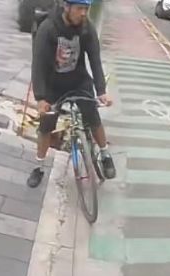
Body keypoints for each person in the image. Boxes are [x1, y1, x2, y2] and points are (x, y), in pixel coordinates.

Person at [28, 0, 116, 188]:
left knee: (93, 116)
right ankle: (39, 167)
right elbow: (38, 65)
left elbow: (95, 60)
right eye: (79, 8)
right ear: (66, 7)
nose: (83, 13)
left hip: (79, 81)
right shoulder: (48, 28)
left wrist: (101, 91)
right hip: (53, 85)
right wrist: (40, 98)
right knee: (46, 126)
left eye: (86, 9)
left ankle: (105, 154)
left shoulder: (87, 28)